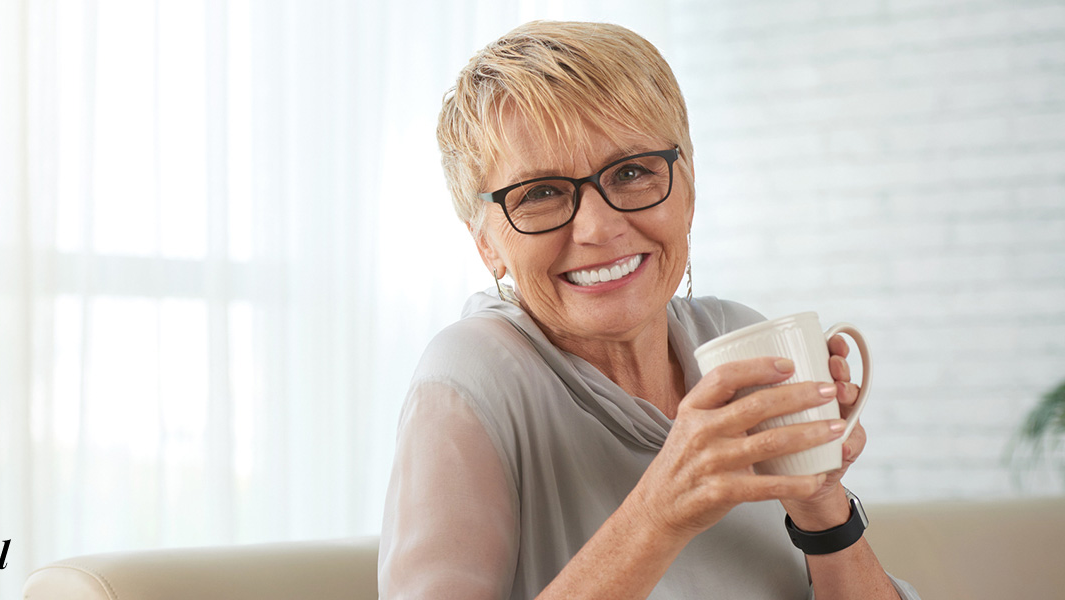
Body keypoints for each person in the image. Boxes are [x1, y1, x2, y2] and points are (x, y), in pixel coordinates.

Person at [379, 20, 920, 600]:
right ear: (485, 241)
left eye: (632, 171)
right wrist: (660, 511)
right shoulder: (470, 376)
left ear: (687, 191)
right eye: (540, 192)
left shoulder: (737, 336)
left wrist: (821, 505)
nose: (598, 227)